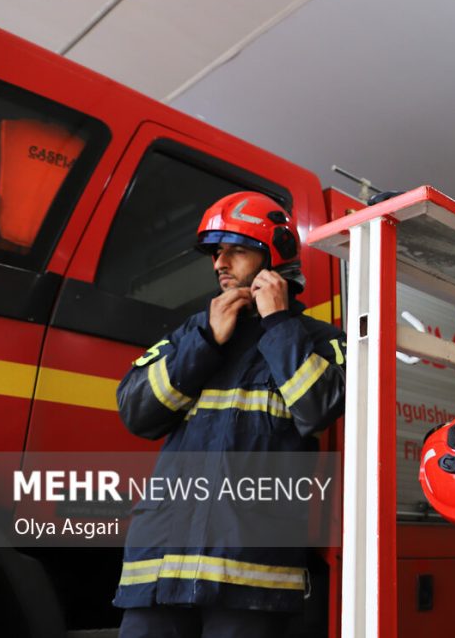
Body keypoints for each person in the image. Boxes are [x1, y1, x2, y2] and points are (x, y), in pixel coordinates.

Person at [113, 191, 346, 638]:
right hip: (160, 571)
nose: (219, 263)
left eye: (235, 249)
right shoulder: (192, 332)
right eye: (216, 252)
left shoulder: (320, 340)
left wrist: (278, 325)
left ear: (273, 254)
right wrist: (204, 343)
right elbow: (136, 411)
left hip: (250, 576)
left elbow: (316, 408)